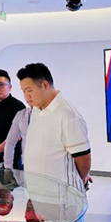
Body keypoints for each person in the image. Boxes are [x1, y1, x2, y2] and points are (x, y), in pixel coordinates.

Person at [17, 63, 91, 192]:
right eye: (23, 91)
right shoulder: (36, 109)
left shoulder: (67, 114)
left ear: (45, 85)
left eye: (29, 91)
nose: (26, 96)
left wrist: (80, 180)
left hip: (62, 195)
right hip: (38, 192)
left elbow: (83, 157)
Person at [3, 105, 32, 170]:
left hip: (47, 164)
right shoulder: (21, 114)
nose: (28, 99)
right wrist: (8, 167)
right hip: (26, 163)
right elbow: (10, 142)